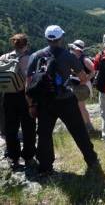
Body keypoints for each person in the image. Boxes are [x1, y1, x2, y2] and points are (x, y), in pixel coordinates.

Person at [26, 25, 99, 175]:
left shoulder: (36, 56)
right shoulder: (68, 55)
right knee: (79, 131)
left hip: (44, 102)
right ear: (61, 39)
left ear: (47, 39)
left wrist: (31, 105)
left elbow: (28, 83)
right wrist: (71, 77)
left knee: (44, 134)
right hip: (66, 100)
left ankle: (45, 167)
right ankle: (91, 160)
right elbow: (83, 78)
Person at [0, 34, 36, 169]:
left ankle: (13, 156)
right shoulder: (27, 58)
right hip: (23, 96)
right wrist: (32, 102)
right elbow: (29, 81)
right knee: (28, 127)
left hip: (7, 96)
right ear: (26, 45)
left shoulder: (3, 57)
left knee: (10, 128)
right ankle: (28, 156)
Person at [68, 40, 95, 132]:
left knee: (81, 107)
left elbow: (94, 71)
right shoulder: (74, 58)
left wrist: (85, 80)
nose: (70, 49)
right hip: (76, 83)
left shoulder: (85, 59)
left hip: (82, 85)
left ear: (78, 50)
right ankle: (86, 125)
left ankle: (88, 126)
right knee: (79, 106)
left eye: (72, 48)